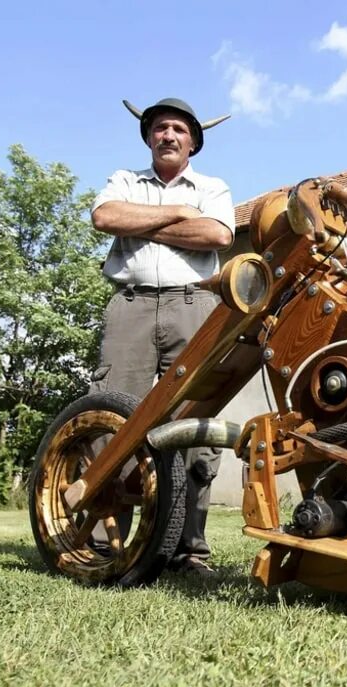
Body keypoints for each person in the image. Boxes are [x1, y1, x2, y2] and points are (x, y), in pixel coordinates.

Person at [90, 98, 234, 575]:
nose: (167, 135)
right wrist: (176, 213)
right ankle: (103, 540)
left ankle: (188, 548)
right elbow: (107, 218)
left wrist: (145, 223)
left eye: (177, 128)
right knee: (110, 416)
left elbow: (216, 237)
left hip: (194, 306)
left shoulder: (213, 187)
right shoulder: (124, 181)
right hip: (129, 304)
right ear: (148, 137)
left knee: (196, 424)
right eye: (158, 128)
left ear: (193, 141)